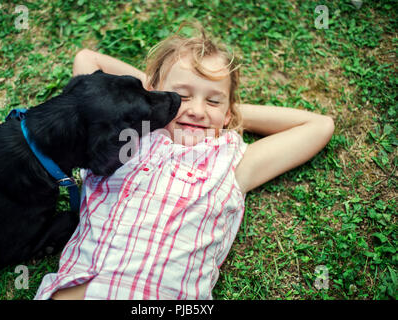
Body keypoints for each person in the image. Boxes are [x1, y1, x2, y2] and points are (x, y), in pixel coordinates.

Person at [34, 23, 334, 300]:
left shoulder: (232, 162)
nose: (198, 111)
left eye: (213, 101)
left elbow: (318, 126)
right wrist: (152, 98)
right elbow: (89, 61)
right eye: (182, 96)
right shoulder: (120, 135)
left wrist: (232, 115)